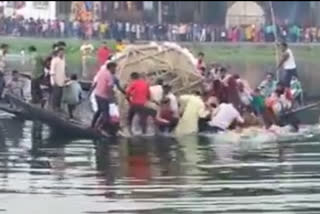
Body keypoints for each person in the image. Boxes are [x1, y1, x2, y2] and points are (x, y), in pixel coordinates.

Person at [90, 62, 117, 129]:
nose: (115, 70)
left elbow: (95, 83)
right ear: (111, 68)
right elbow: (110, 88)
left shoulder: (101, 72)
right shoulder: (109, 75)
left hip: (97, 94)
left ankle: (92, 125)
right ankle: (102, 128)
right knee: (106, 115)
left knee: (99, 110)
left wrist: (91, 91)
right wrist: (113, 98)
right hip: (103, 97)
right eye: (114, 68)